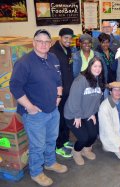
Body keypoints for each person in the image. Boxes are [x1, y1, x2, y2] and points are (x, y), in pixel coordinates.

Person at [10, 29, 67, 186]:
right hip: (35, 114)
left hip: (53, 110)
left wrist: (59, 96)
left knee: (51, 139)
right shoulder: (24, 63)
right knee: (38, 145)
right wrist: (30, 107)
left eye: (46, 41)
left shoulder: (53, 58)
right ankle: (36, 172)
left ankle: (50, 162)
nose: (43, 44)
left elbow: (58, 80)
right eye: (40, 41)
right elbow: (15, 87)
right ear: (34, 42)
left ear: (50, 43)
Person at [64, 57, 105, 165]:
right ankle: (76, 151)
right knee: (83, 137)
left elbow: (97, 100)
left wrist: (92, 113)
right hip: (73, 114)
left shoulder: (98, 80)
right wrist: (77, 116)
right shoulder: (81, 80)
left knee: (93, 134)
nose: (97, 69)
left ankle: (86, 150)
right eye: (95, 66)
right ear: (90, 66)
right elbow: (74, 100)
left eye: (100, 66)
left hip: (86, 113)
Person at [49, 28, 74, 158]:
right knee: (58, 120)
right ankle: (58, 146)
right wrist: (58, 93)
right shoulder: (53, 53)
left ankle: (65, 140)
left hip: (68, 91)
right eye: (66, 38)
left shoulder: (68, 50)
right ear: (59, 37)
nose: (68, 41)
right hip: (59, 94)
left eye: (70, 38)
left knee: (66, 118)